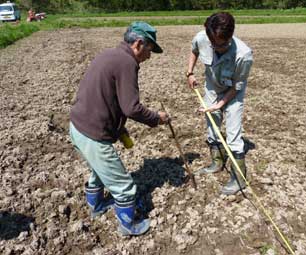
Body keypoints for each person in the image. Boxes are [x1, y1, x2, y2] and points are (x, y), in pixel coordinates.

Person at [69, 21, 169, 236]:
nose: (149, 56)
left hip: (78, 127)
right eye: (150, 49)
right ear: (139, 44)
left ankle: (96, 206)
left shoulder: (110, 55)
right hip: (93, 133)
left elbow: (108, 99)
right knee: (124, 185)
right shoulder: (126, 62)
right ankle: (128, 225)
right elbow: (131, 108)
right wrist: (157, 119)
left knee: (99, 170)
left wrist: (118, 128)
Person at [186, 12, 253, 195]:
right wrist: (190, 72)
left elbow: (237, 88)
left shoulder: (243, 55)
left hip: (233, 92)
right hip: (212, 87)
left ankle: (240, 179)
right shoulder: (201, 38)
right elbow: (194, 51)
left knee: (233, 132)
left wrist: (219, 105)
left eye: (223, 44)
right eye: (214, 43)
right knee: (212, 126)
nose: (218, 47)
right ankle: (217, 162)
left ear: (231, 35)